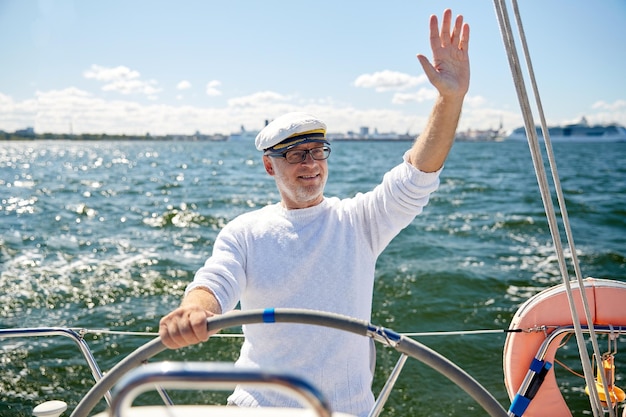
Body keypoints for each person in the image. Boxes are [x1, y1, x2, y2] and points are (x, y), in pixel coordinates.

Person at [159, 8, 470, 417]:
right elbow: (215, 281)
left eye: (318, 151)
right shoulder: (245, 231)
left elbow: (415, 177)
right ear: (270, 165)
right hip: (258, 408)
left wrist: (450, 99)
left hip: (346, 410)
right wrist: (195, 309)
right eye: (295, 154)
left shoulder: (359, 221)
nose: (311, 163)